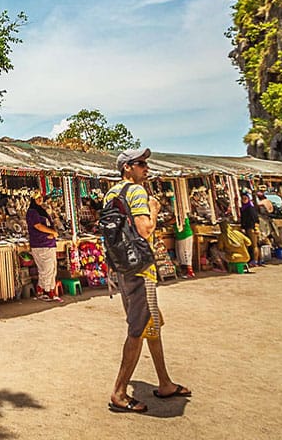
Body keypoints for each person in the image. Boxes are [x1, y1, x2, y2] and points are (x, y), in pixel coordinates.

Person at [107, 148, 190, 413]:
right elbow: (145, 231)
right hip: (141, 270)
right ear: (127, 167)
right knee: (139, 327)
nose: (146, 168)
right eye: (141, 163)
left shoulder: (112, 193)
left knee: (152, 325)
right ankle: (119, 392)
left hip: (123, 267)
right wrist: (154, 210)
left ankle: (165, 382)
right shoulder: (136, 192)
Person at [26, 194, 63, 303]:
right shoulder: (32, 212)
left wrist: (53, 233)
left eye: (41, 197)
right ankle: (45, 291)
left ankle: (50, 290)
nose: (40, 199)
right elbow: (38, 226)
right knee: (46, 269)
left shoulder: (41, 210)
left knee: (51, 269)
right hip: (41, 244)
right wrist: (53, 232)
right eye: (37, 198)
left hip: (48, 244)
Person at [239, 189, 262, 266]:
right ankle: (258, 260)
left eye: (245, 198)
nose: (244, 200)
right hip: (249, 228)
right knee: (254, 245)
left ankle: (255, 260)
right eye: (243, 198)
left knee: (254, 245)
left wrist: (255, 228)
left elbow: (255, 219)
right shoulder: (245, 207)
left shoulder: (250, 208)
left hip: (251, 228)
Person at [173, 214, 195, 278]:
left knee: (186, 254)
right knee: (180, 255)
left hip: (185, 236)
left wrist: (165, 223)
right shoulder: (177, 215)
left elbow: (174, 221)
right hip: (180, 236)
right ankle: (184, 271)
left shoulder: (182, 214)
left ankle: (190, 272)